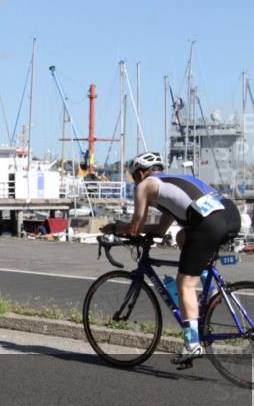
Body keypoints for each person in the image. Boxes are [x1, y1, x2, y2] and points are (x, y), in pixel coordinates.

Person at [102, 152, 241, 365]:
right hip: (231, 214)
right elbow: (159, 230)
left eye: (133, 178)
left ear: (140, 173)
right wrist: (132, 230)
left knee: (184, 284)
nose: (134, 184)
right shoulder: (174, 184)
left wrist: (114, 228)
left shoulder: (145, 185)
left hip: (209, 224)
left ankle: (192, 344)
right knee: (182, 236)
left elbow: (135, 227)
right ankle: (210, 287)